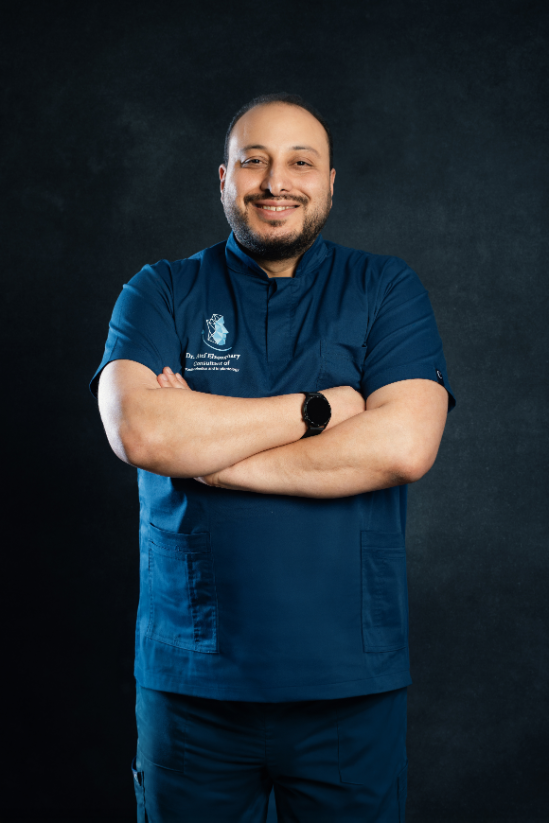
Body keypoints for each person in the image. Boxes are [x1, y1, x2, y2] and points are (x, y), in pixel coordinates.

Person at [89, 92, 456, 823]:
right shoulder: (160, 290)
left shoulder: (385, 289)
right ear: (224, 179)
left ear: (329, 183)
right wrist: (319, 410)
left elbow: (404, 444)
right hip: (192, 685)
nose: (275, 182)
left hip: (347, 688)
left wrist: (208, 457)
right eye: (253, 161)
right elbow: (142, 433)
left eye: (300, 163)